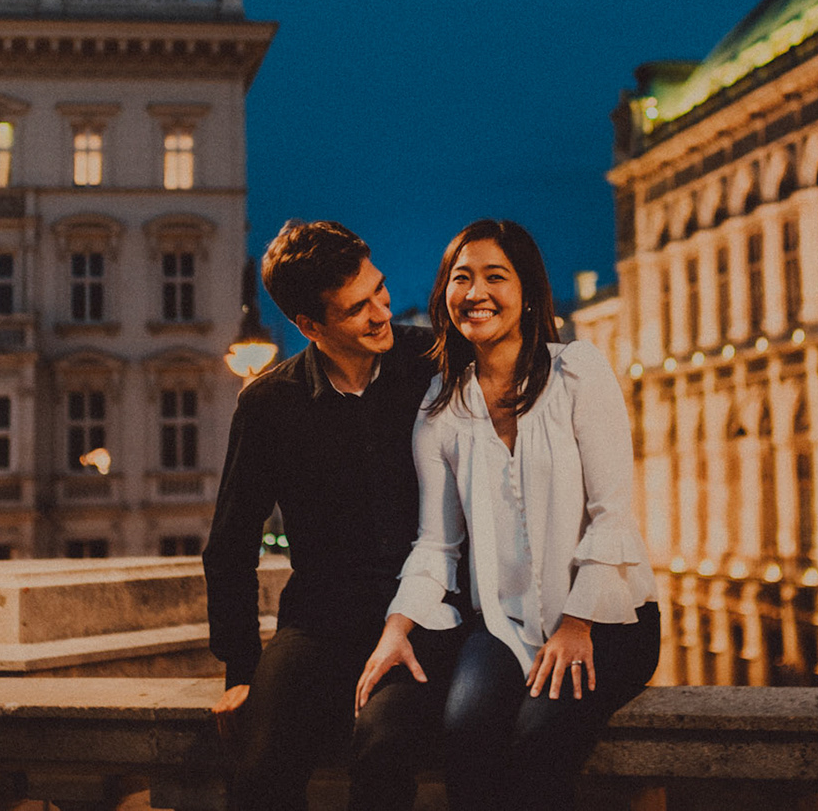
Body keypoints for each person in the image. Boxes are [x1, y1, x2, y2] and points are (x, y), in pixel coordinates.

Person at [355, 219, 659, 811]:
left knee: (538, 743)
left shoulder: (578, 372)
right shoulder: (441, 407)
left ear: (528, 292)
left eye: (496, 277)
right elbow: (437, 544)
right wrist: (396, 630)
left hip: (608, 619)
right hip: (504, 624)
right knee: (464, 738)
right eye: (461, 278)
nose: (476, 293)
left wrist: (576, 625)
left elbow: (613, 515)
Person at [204, 219, 461, 811]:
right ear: (310, 326)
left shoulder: (434, 362)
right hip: (319, 623)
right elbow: (231, 544)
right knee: (258, 770)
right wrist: (240, 670)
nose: (382, 312)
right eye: (357, 308)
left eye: (380, 289)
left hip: (422, 617)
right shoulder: (268, 403)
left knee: (381, 748)